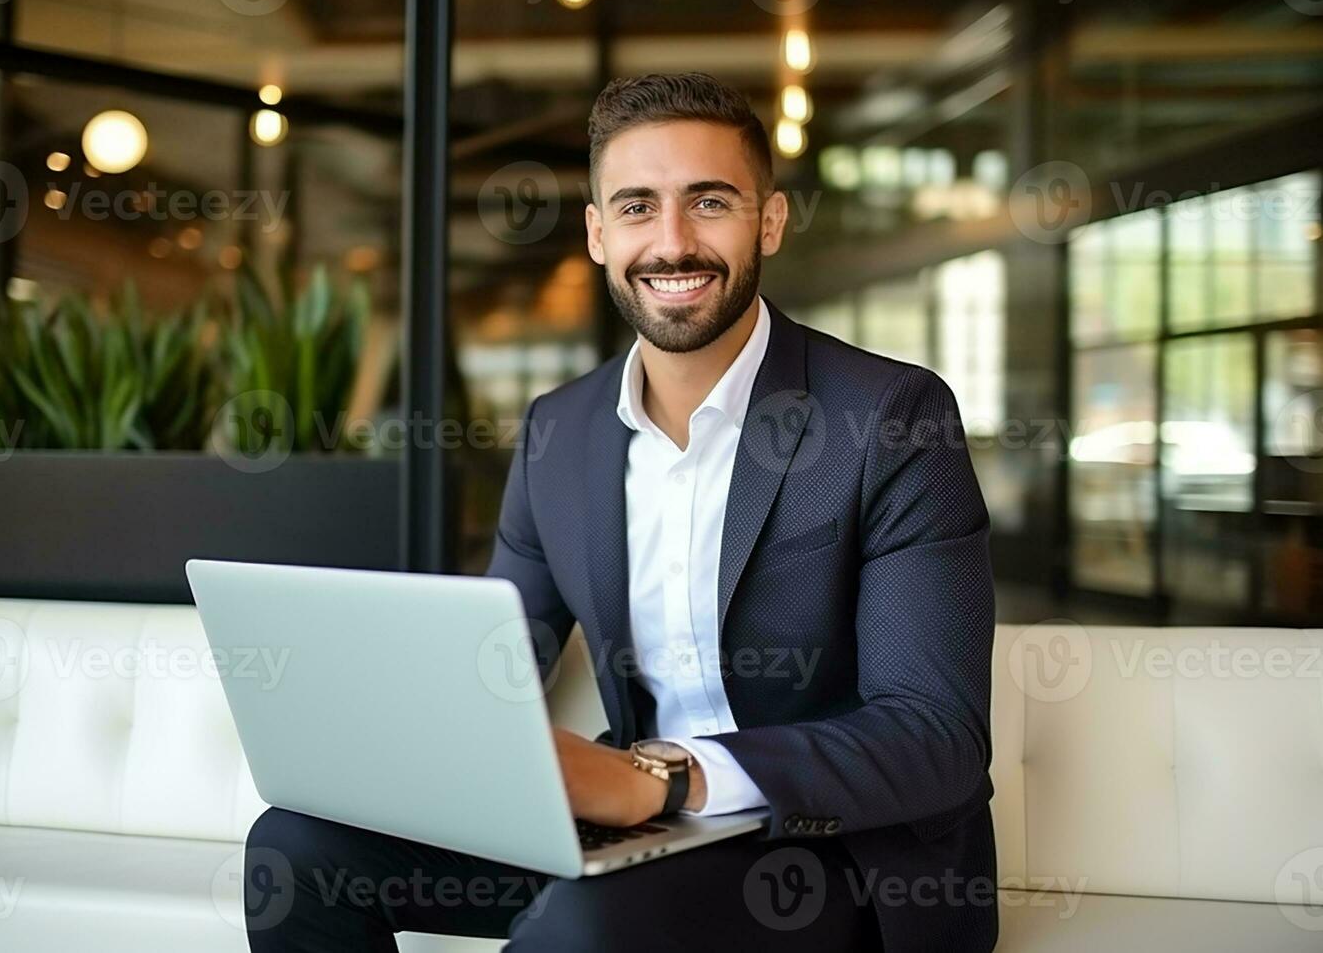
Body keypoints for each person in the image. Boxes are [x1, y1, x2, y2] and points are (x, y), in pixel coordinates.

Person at [246, 71, 997, 953]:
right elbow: (501, 665)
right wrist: (399, 735)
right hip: (637, 826)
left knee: (586, 927)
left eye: (709, 202)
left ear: (771, 220)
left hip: (832, 851)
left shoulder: (891, 417)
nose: (672, 243)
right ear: (599, 234)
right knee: (293, 850)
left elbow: (935, 735)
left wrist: (666, 779)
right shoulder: (558, 431)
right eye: (637, 207)